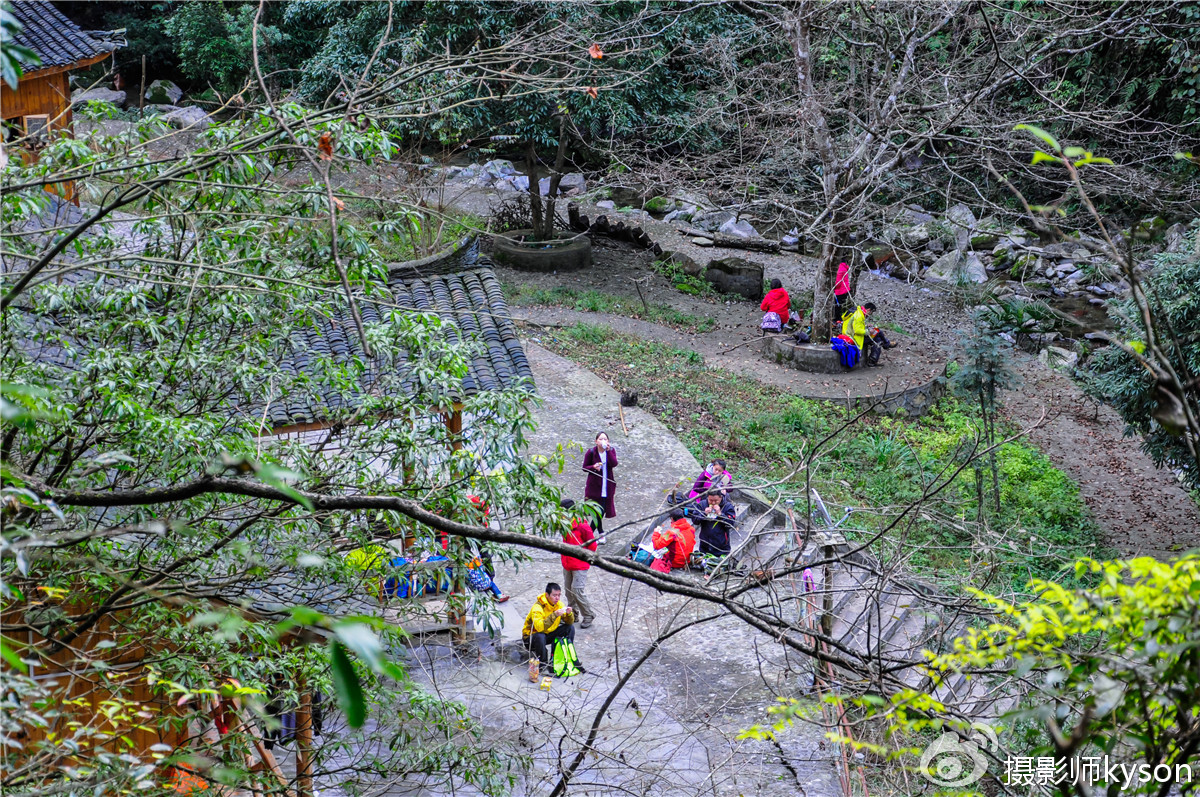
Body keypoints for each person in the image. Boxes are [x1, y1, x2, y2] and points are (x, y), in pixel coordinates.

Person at [522, 582, 580, 676]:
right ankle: (543, 664)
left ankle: (565, 656)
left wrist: (569, 614)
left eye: (559, 595)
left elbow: (569, 622)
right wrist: (554, 615)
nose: (557, 598)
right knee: (540, 636)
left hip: (547, 633)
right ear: (547, 595)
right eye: (554, 595)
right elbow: (540, 628)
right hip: (531, 638)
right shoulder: (537, 607)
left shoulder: (559, 604)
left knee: (569, 628)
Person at [559, 499, 597, 629]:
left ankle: (588, 614)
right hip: (567, 563)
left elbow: (592, 545)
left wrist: (585, 558)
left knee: (577, 590)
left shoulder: (582, 526)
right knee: (569, 591)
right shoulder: (564, 524)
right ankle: (573, 615)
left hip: (580, 564)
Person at [581, 432, 617, 538]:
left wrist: (609, 451)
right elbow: (584, 467)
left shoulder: (611, 451)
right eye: (600, 439)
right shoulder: (591, 452)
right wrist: (593, 467)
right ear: (596, 441)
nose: (603, 441)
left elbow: (614, 463)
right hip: (594, 488)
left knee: (601, 511)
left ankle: (596, 534)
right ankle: (593, 535)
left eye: (605, 439)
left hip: (607, 486)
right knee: (597, 512)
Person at [841, 302, 896, 367]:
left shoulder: (857, 311)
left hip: (849, 335)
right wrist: (868, 331)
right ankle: (886, 345)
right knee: (878, 337)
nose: (870, 314)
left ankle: (885, 346)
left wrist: (866, 326)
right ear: (869, 310)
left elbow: (855, 326)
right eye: (871, 312)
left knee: (877, 337)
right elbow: (857, 330)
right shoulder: (859, 316)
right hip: (853, 338)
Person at [697, 490, 737, 557]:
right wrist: (704, 514)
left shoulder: (727, 506)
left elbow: (730, 524)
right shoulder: (702, 504)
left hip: (721, 545)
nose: (713, 503)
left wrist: (720, 514)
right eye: (710, 500)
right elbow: (695, 520)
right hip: (705, 544)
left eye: (716, 501)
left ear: (720, 497)